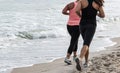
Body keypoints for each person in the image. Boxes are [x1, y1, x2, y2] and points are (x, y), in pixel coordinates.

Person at [75, 0, 105, 71]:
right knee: (86, 44)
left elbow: (76, 10)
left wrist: (81, 16)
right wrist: (96, 13)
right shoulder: (98, 3)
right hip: (91, 25)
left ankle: (86, 62)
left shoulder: (81, 1)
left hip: (82, 24)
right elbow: (103, 15)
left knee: (86, 43)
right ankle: (80, 59)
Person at [62, 0, 81, 65]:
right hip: (77, 25)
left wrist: (69, 14)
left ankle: (75, 56)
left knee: (75, 40)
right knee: (73, 41)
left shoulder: (71, 4)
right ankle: (67, 57)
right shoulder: (82, 4)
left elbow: (63, 11)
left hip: (69, 25)